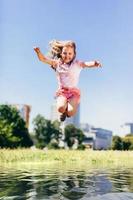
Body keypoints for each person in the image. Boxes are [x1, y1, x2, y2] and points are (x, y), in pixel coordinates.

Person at [34, 40, 102, 122]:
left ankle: (67, 112)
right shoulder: (57, 63)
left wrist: (95, 63)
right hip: (62, 92)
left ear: (74, 55)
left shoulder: (77, 64)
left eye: (70, 53)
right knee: (60, 108)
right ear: (61, 53)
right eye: (65, 53)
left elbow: (86, 64)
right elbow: (43, 59)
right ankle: (63, 111)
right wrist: (38, 52)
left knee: (70, 113)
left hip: (73, 93)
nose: (67, 56)